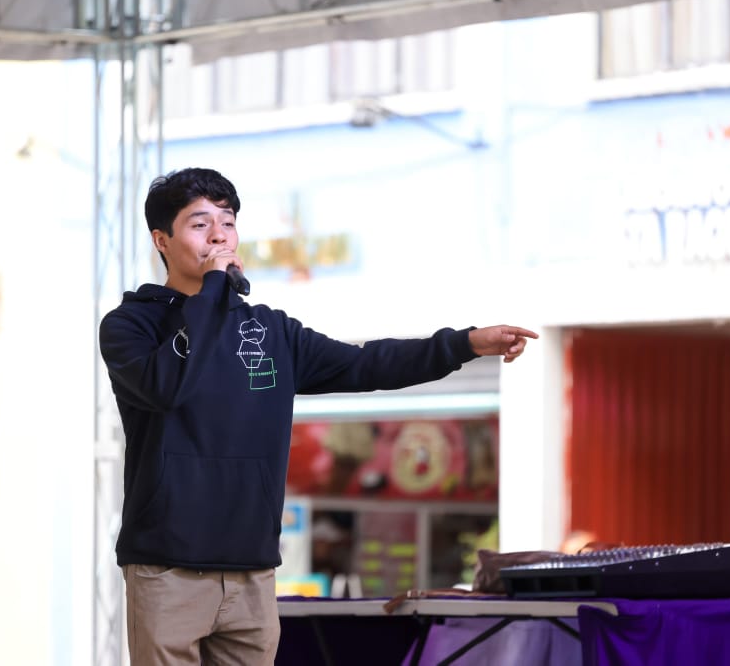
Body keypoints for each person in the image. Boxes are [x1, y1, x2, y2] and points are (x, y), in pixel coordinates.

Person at [98, 167, 538, 665]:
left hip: (251, 571)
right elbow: (166, 385)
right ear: (162, 240)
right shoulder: (130, 326)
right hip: (167, 569)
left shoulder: (273, 332)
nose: (219, 235)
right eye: (200, 224)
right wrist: (211, 295)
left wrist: (463, 345)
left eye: (228, 221)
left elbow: (366, 363)